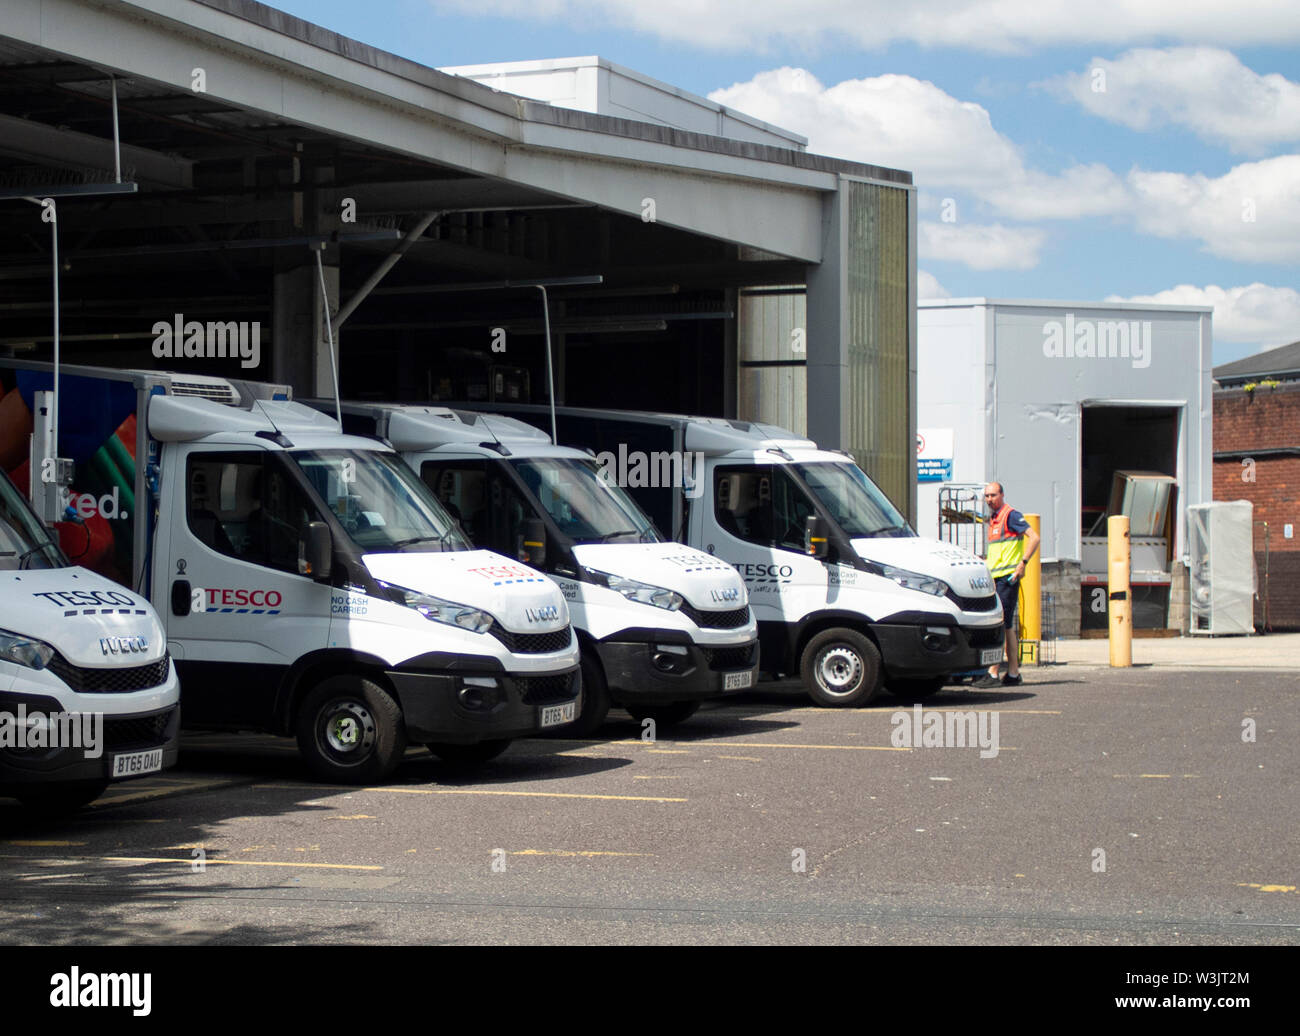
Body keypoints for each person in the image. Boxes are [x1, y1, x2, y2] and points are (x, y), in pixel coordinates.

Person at [979, 481, 1040, 687]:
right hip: (996, 578)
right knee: (1007, 626)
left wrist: (1022, 563)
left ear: (1002, 495)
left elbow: (1034, 537)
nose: (989, 499)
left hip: (1007, 578)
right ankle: (1013, 673)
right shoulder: (994, 519)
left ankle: (994, 672)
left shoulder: (1010, 515)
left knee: (1000, 624)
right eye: (987, 496)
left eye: (993, 495)